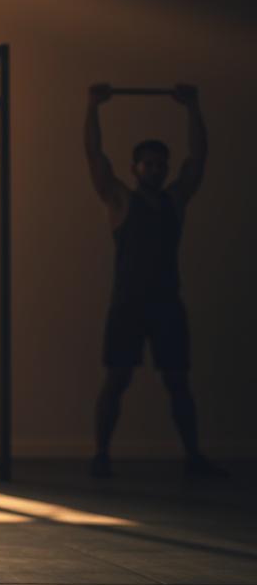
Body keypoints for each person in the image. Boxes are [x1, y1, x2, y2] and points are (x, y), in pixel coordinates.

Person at [83, 84, 222, 478]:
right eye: (148, 164)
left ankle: (194, 457)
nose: (156, 170)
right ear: (136, 168)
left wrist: (193, 108)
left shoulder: (174, 201)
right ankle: (101, 455)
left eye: (161, 164)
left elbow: (198, 158)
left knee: (178, 382)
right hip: (127, 304)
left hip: (166, 304)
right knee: (117, 380)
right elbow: (95, 155)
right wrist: (92, 108)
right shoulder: (120, 201)